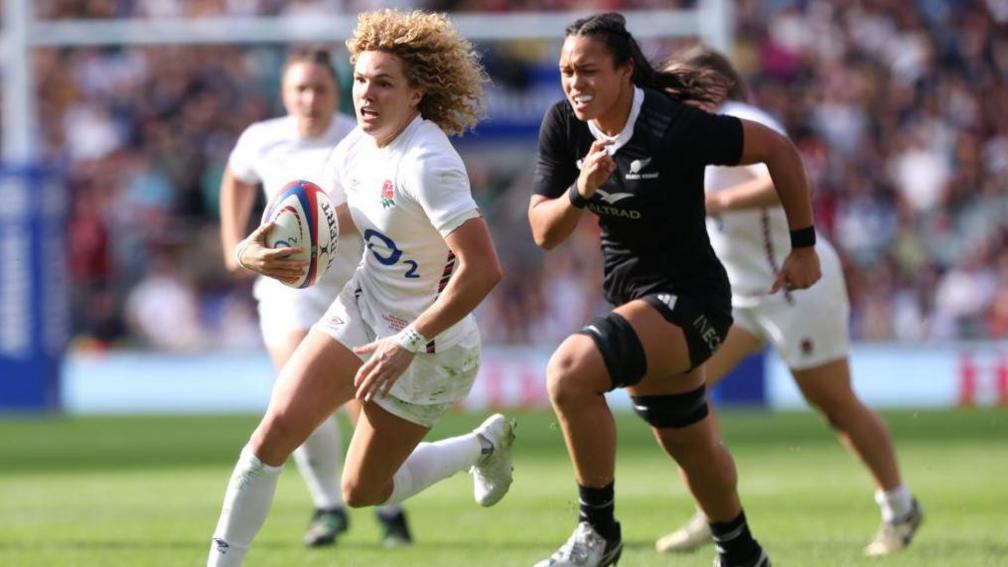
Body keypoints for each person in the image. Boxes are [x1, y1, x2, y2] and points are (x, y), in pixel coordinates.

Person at [208, 10, 513, 566]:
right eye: (361, 79)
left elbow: (483, 270)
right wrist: (250, 250)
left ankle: (481, 446)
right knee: (275, 429)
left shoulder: (430, 163)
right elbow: (325, 223)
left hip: (432, 347)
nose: (365, 95)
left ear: (417, 93)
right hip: (363, 308)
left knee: (363, 492)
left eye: (384, 82)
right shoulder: (353, 148)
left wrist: (409, 342)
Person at [529, 13, 822, 567]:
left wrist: (803, 247)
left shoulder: (673, 126)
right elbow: (545, 232)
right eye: (567, 71)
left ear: (625, 70)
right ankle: (741, 551)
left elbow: (780, 151)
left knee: (569, 373)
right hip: (636, 302)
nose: (575, 83)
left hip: (694, 301)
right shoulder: (563, 124)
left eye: (588, 70)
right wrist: (579, 192)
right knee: (687, 441)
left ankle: (597, 533)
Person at [654, 45, 923, 558]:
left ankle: (900, 507)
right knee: (680, 395)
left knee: (834, 404)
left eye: (678, 85)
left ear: (709, 85)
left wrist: (716, 202)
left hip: (796, 286)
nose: (669, 97)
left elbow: (784, 179)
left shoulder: (742, 119)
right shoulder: (691, 136)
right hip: (740, 297)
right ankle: (715, 511)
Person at [219, 47, 414, 548]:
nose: (310, 98)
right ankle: (329, 506)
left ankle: (388, 505)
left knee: (361, 397)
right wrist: (232, 245)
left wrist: (318, 227)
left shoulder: (359, 139)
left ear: (337, 92)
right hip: (289, 291)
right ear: (285, 94)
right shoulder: (262, 139)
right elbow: (236, 178)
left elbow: (377, 204)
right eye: (300, 89)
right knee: (296, 389)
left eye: (320, 88)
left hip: (352, 286)